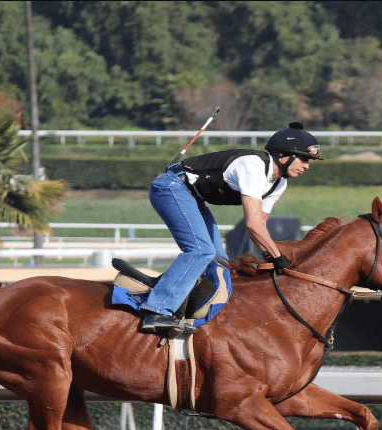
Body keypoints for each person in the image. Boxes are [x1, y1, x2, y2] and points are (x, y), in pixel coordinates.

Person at [138, 121, 323, 334]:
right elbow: (252, 225)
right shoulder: (253, 166)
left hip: (192, 198)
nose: (307, 165)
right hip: (170, 187)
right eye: (304, 158)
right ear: (283, 155)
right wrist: (278, 257)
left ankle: (197, 313)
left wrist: (271, 257)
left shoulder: (279, 183)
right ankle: (157, 310)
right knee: (201, 251)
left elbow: (260, 225)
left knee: (221, 262)